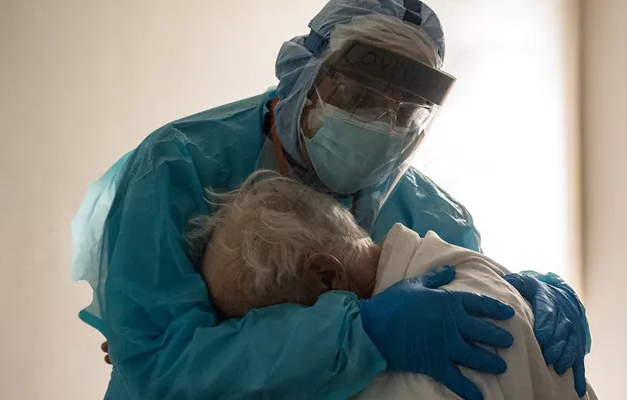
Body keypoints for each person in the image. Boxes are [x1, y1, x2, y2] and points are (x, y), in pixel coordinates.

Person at [72, 1, 591, 399]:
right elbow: (157, 368)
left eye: (405, 113)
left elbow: (475, 313)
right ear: (304, 75)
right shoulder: (176, 168)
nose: (380, 125)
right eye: (360, 96)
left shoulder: (432, 214)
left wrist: (525, 293)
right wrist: (355, 333)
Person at [187, 170, 596, 400]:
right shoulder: (452, 264)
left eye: (268, 324)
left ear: (327, 277)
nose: (279, 349)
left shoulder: (437, 359)